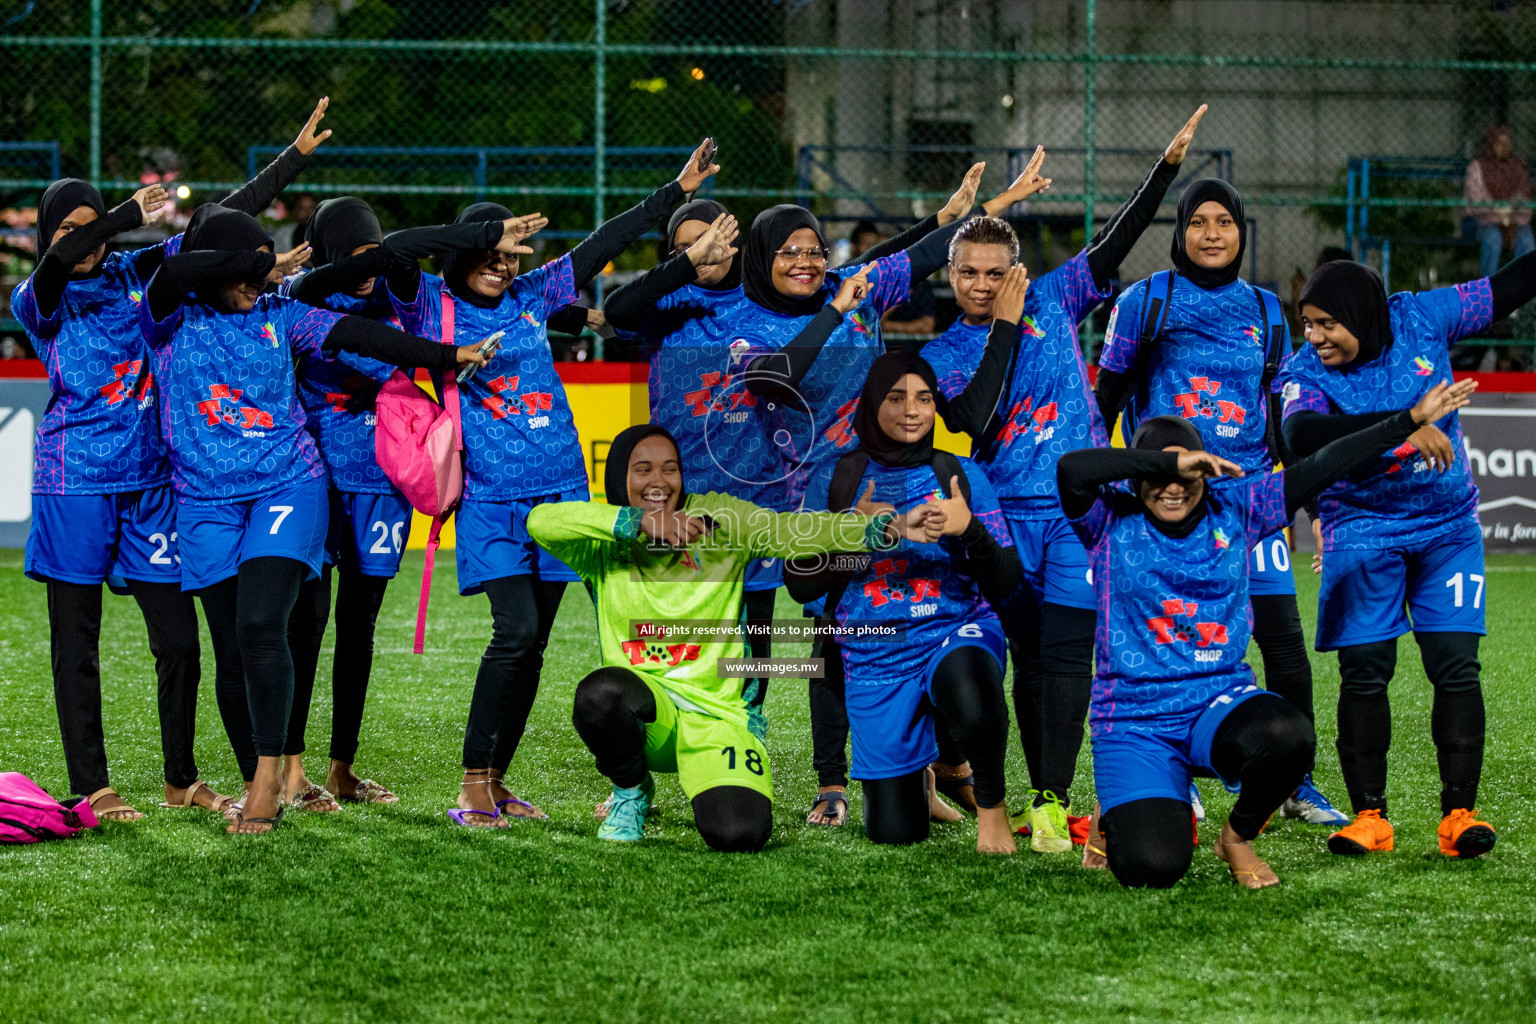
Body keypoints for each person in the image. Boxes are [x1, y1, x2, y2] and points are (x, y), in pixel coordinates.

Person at [11, 98, 335, 822]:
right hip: (75, 482)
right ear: (47, 236)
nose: (82, 239)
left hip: (157, 481)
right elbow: (64, 257)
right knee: (77, 640)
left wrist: (292, 159)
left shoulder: (137, 271)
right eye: (68, 226)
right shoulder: (40, 296)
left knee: (180, 641)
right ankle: (93, 783)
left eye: (88, 224)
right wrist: (122, 210)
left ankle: (180, 778)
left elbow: (218, 227)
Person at [384, 140, 721, 826]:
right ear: (463, 254)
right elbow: (394, 247)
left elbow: (604, 242)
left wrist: (674, 193)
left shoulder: (535, 296)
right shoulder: (428, 309)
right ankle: (472, 782)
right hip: (492, 503)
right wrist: (481, 233)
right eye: (491, 254)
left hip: (562, 500)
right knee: (514, 633)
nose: (503, 265)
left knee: (534, 644)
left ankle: (498, 781)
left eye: (511, 255)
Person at [140, 203, 497, 835]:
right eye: (243, 268)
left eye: (260, 266)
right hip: (203, 502)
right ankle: (267, 769)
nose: (255, 281)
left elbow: (366, 338)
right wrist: (256, 261)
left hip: (288, 483)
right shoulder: (168, 316)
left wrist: (448, 354)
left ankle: (265, 784)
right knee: (230, 652)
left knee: (260, 625)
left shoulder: (283, 313)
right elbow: (177, 268)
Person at [1059, 380, 1475, 888]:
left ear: (1206, 472)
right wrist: (1169, 463)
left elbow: (1325, 462)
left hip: (1217, 702)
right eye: (1161, 474)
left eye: (1190, 472)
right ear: (1137, 478)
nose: (1174, 488)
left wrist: (1407, 421)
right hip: (1134, 720)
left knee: (1288, 734)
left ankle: (1235, 837)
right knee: (1153, 868)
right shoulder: (1105, 518)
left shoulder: (1238, 507)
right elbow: (1071, 469)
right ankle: (1128, 801)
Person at [736, 159, 1051, 828]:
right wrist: (833, 309)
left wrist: (972, 210)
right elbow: (772, 380)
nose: (805, 260)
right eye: (789, 251)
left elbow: (919, 254)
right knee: (831, 636)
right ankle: (831, 783)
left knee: (917, 614)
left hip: (893, 465)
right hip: (825, 485)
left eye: (816, 250)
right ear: (762, 261)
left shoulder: (859, 291)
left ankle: (932, 772)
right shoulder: (748, 324)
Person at [923, 106, 1206, 852]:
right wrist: (1008, 326)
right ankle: (954, 771)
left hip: (1080, 513)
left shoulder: (1057, 295)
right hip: (1003, 521)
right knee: (1018, 652)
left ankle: (1050, 801)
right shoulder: (946, 352)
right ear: (951, 276)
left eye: (995, 274)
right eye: (969, 274)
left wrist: (1166, 169)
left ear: (1015, 270)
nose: (982, 286)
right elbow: (975, 422)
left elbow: (1118, 241)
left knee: (1069, 658)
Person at [525, 424, 935, 850]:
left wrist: (869, 528)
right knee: (600, 694)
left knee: (739, 834)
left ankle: (722, 775)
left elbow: (787, 533)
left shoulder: (717, 518)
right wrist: (638, 522)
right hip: (650, 718)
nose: (658, 482)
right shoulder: (604, 541)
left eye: (670, 469)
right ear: (619, 479)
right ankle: (631, 790)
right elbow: (542, 521)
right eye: (642, 469)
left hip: (719, 719)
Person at [1095, 165, 1349, 827]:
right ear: (1179, 232)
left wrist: (1315, 512)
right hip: (1164, 508)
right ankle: (1170, 773)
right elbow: (1105, 403)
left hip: (1247, 508)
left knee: (1284, 646)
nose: (1213, 233)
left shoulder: (1267, 310)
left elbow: (1282, 422)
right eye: (1199, 222)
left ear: (1242, 232)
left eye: (1225, 222)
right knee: (1162, 643)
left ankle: (1296, 781)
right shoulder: (1147, 300)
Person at [1277, 256, 1531, 858]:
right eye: (1306, 323)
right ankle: (1370, 819)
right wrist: (1405, 425)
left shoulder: (1420, 317)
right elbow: (1302, 436)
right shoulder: (1304, 371)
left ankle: (1459, 816)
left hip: (1447, 526)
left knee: (1455, 664)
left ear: (1362, 315)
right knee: (1365, 671)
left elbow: (1512, 285)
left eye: (1326, 324)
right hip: (1360, 529)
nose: (1314, 337)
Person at [789, 353, 1024, 853]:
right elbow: (800, 585)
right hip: (874, 652)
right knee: (895, 833)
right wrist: (860, 533)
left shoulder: (959, 474)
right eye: (896, 398)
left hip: (953, 629)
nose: (912, 410)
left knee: (971, 690)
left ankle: (991, 809)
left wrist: (970, 530)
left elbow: (1007, 579)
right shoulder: (836, 479)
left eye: (923, 398)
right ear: (872, 404)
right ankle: (920, 776)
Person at [1464, 124, 1533, 280]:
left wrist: (1510, 223)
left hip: (1514, 223)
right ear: (1490, 145)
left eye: (1508, 143)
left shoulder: (1518, 167)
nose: (1504, 148)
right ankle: (1489, 293)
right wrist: (1501, 221)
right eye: (1499, 143)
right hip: (1480, 222)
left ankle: (1527, 295)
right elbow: (1476, 205)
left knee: (1526, 239)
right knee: (1493, 238)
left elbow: (1526, 205)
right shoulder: (1477, 168)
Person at [849, 220, 936, 337]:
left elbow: (926, 326)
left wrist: (887, 326)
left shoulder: (921, 284)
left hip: (911, 350)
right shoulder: (869, 281)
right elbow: (867, 326)